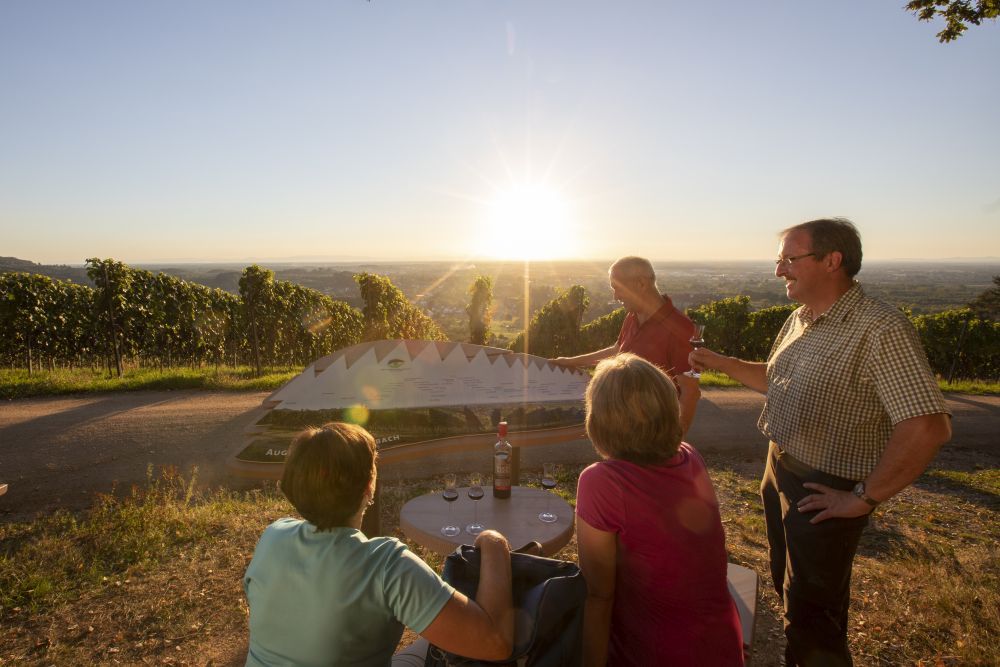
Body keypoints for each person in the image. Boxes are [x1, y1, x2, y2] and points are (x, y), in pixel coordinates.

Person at [690, 218, 952, 666]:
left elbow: (928, 426)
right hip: (781, 470)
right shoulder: (801, 318)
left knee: (814, 620)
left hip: (826, 489)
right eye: (779, 260)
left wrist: (864, 498)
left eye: (790, 259)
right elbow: (778, 380)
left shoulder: (880, 329)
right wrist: (718, 361)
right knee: (791, 588)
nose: (779, 271)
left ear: (833, 261)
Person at [243, 422, 514, 667]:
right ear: (369, 486)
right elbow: (494, 644)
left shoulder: (273, 536)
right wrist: (495, 543)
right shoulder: (387, 566)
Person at [575, 353, 744, 667]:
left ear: (598, 419)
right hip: (721, 646)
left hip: (656, 653)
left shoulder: (602, 482)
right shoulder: (689, 456)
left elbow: (598, 594)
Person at [550, 256, 700, 432]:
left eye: (617, 288)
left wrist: (675, 441)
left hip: (653, 433)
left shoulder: (681, 328)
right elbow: (617, 349)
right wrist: (570, 362)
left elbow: (690, 392)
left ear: (641, 284)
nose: (615, 296)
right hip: (623, 428)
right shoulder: (632, 316)